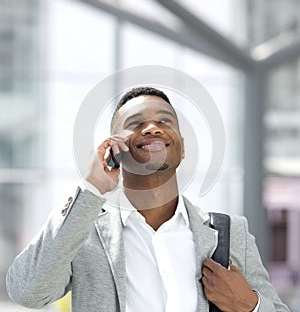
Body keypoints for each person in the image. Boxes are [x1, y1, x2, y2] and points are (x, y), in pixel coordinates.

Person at [6, 86, 289, 312]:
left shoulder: (230, 232)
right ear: (115, 147)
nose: (152, 128)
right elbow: (28, 292)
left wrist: (250, 306)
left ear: (182, 146)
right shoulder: (85, 232)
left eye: (165, 120)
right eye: (136, 123)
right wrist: (92, 188)